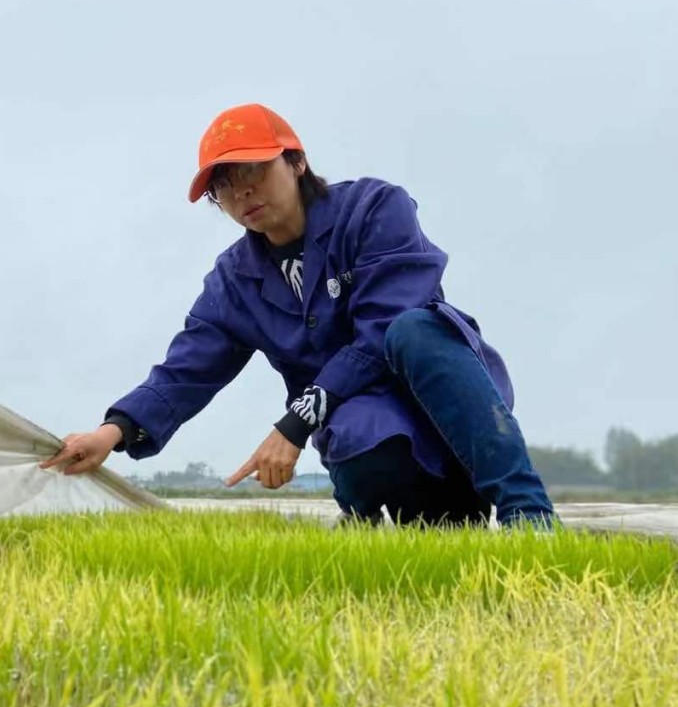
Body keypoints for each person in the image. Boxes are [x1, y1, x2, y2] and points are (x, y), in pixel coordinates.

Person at [39, 103, 555, 529]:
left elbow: (384, 328)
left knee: (413, 328)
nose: (241, 193)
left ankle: (529, 516)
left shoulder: (375, 209)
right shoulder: (234, 281)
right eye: (223, 185)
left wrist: (294, 424)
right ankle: (432, 524)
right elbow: (186, 370)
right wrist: (110, 433)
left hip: (441, 401)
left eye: (252, 171)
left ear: (297, 163)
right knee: (355, 433)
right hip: (365, 422)